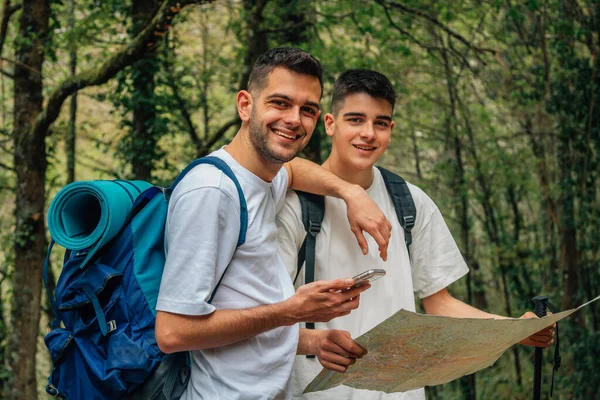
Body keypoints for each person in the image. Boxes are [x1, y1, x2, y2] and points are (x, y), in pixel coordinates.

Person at [276, 69, 555, 399]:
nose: (368, 133)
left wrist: (513, 330)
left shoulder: (409, 202)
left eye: (380, 122)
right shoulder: (295, 206)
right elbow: (266, 317)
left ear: (391, 130)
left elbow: (439, 303)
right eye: (355, 119)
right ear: (330, 123)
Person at [154, 49, 393, 400]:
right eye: (280, 103)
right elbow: (173, 332)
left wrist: (349, 192)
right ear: (245, 105)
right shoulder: (212, 192)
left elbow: (295, 170)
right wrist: (291, 311)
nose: (294, 119)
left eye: (308, 109)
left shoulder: (269, 177)